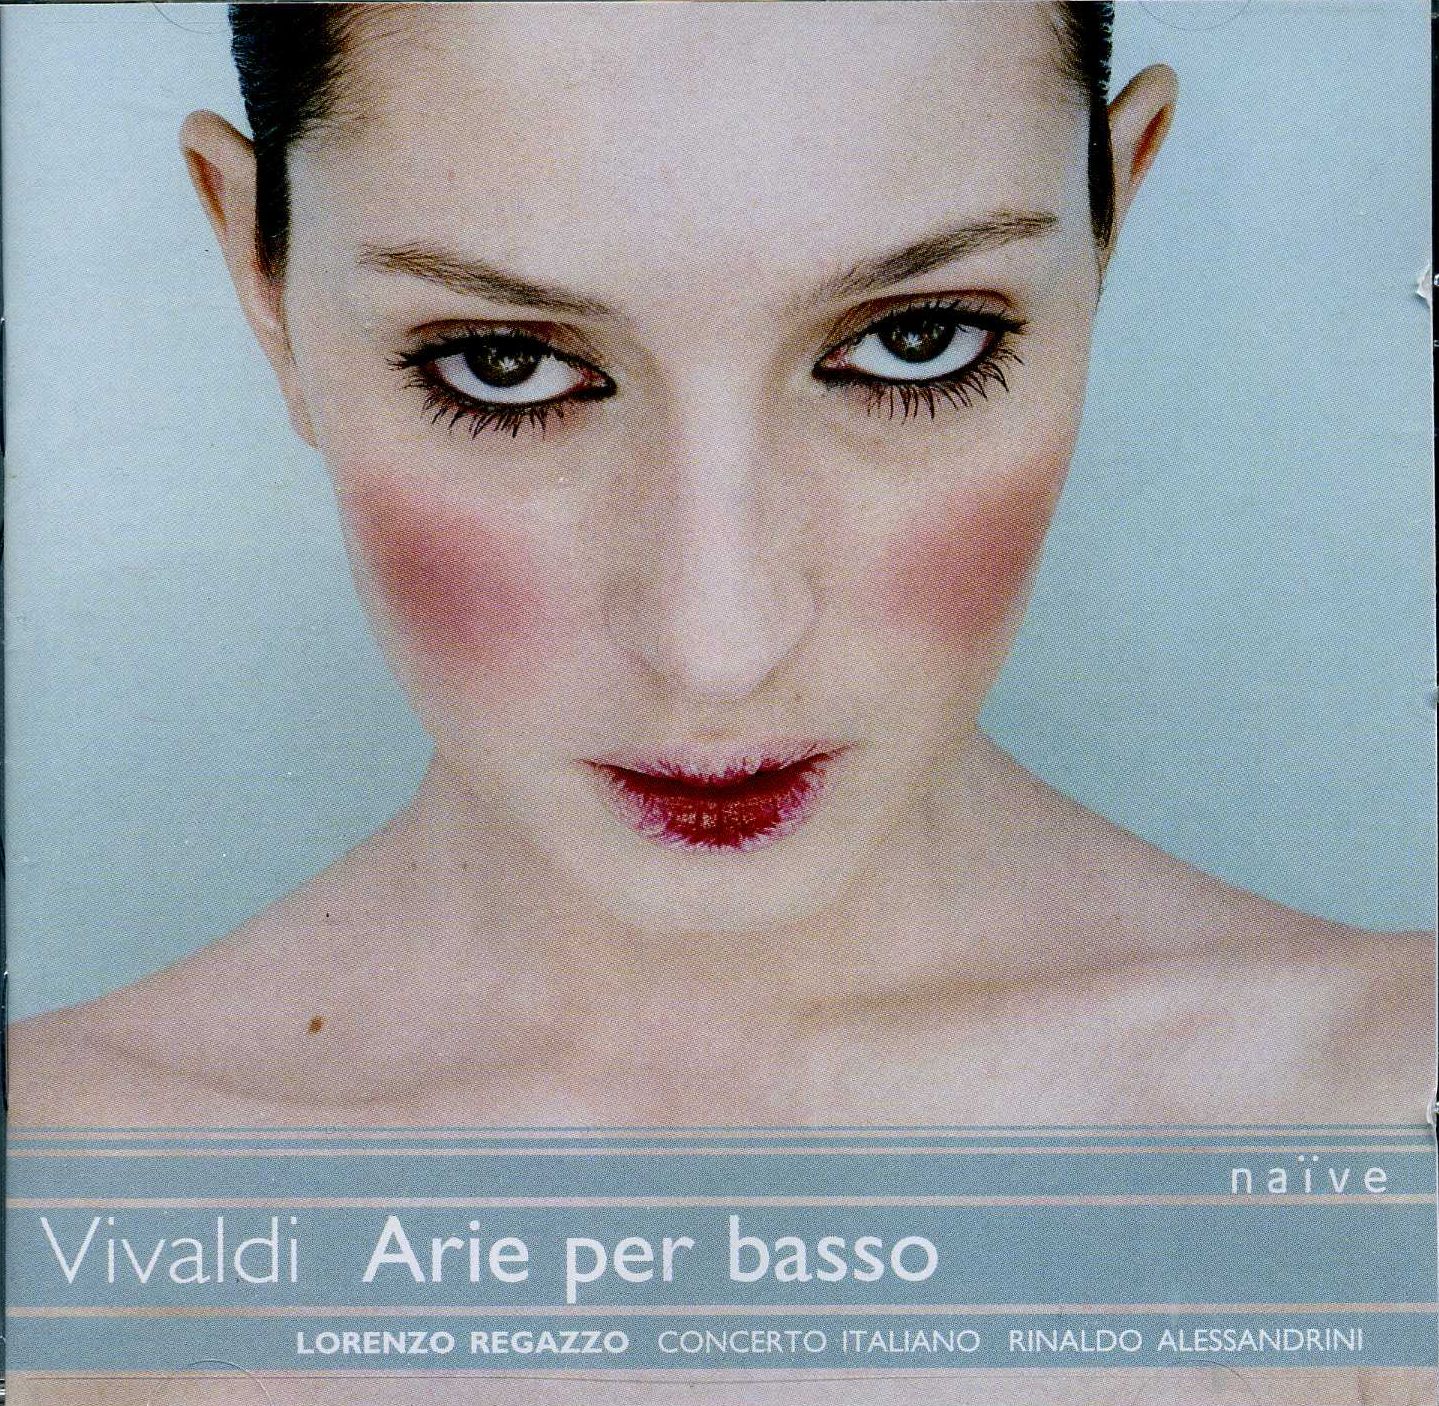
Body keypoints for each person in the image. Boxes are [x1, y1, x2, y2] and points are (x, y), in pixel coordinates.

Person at [9, 0, 1430, 1133]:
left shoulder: (1385, 1134)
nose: (718, 641)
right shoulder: (59, 1211)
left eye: (916, 341)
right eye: (502, 364)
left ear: (1113, 221)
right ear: (263, 283)